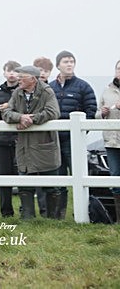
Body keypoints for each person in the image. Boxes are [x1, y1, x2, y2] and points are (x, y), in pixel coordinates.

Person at [1, 65, 61, 219]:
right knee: (25, 184)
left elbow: (53, 112)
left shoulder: (47, 92)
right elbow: (6, 111)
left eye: (22, 76)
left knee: (51, 185)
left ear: (33, 79)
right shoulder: (17, 92)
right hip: (24, 146)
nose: (18, 79)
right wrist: (19, 118)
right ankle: (27, 218)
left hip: (45, 145)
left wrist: (30, 120)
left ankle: (52, 219)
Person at [49, 50, 97, 219]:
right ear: (58, 65)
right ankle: (59, 215)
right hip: (55, 141)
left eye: (71, 61)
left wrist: (81, 133)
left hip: (74, 141)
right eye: (65, 61)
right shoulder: (50, 88)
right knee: (59, 179)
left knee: (80, 177)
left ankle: (83, 213)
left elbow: (90, 110)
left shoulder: (83, 86)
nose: (69, 64)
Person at [0, 60, 21, 217]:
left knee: (23, 180)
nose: (12, 74)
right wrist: (1, 110)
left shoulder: (24, 93)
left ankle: (25, 211)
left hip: (21, 142)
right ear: (4, 73)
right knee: (4, 179)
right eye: (9, 70)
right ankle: (6, 212)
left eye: (15, 71)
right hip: (2, 143)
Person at [95, 59, 120, 222]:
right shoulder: (106, 90)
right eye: (118, 68)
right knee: (115, 178)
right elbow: (96, 115)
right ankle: (119, 219)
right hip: (112, 141)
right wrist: (102, 113)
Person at [32, 55, 54, 216]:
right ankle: (43, 210)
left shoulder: (50, 90)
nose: (43, 74)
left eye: (46, 71)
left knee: (52, 175)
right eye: (40, 70)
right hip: (34, 138)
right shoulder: (29, 90)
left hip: (50, 138)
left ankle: (53, 212)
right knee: (38, 175)